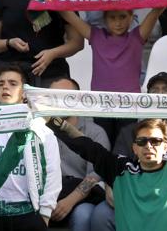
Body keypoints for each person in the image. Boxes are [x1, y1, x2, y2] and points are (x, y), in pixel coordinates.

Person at [0, 63, 62, 228]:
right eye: (1, 83)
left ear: (24, 93)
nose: (5, 86)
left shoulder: (40, 130)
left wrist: (45, 213)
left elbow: (52, 173)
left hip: (27, 212)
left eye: (13, 83)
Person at [44, 77, 109, 231]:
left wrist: (70, 201)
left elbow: (97, 173)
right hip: (45, 195)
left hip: (81, 198)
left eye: (66, 96)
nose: (59, 102)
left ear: (78, 99)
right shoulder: (40, 130)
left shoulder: (95, 132)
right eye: (54, 97)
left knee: (83, 215)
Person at [58, 6, 162, 95]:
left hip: (129, 101)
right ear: (105, 19)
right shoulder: (96, 36)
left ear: (131, 18)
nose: (118, 23)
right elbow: (69, 16)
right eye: (112, 18)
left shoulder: (137, 37)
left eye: (123, 17)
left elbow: (155, 12)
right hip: (101, 100)